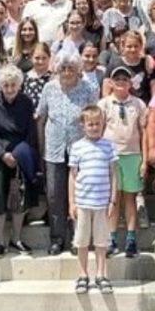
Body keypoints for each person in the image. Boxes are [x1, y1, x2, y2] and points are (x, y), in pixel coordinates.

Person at [36, 50, 99, 255]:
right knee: (55, 195)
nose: (66, 72)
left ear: (78, 69)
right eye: (62, 68)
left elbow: (94, 117)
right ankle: (57, 238)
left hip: (80, 149)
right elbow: (42, 118)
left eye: (70, 68)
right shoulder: (49, 88)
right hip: (54, 148)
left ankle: (77, 238)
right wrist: (41, 146)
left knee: (79, 194)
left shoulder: (87, 89)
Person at [0, 66, 38, 258]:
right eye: (6, 85)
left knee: (19, 197)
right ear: (0, 86)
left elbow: (31, 130)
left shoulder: (26, 102)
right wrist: (2, 154)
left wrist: (21, 154)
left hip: (20, 151)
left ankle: (16, 238)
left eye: (13, 84)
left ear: (19, 85)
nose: (10, 88)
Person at [98, 66, 148, 258]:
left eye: (124, 78)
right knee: (113, 198)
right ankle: (111, 238)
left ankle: (130, 238)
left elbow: (143, 133)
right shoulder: (104, 104)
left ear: (130, 82)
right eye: (116, 78)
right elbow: (99, 131)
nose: (121, 81)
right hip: (111, 157)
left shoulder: (138, 104)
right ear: (110, 82)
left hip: (132, 155)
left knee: (130, 198)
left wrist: (143, 160)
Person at [68, 105, 118, 295]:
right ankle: (83, 274)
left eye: (97, 124)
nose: (94, 127)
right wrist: (71, 202)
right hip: (82, 202)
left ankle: (101, 274)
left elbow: (113, 174)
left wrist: (113, 200)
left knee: (101, 241)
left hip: (102, 203)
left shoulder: (108, 145)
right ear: (83, 126)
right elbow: (72, 176)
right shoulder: (77, 147)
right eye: (90, 124)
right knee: (81, 241)